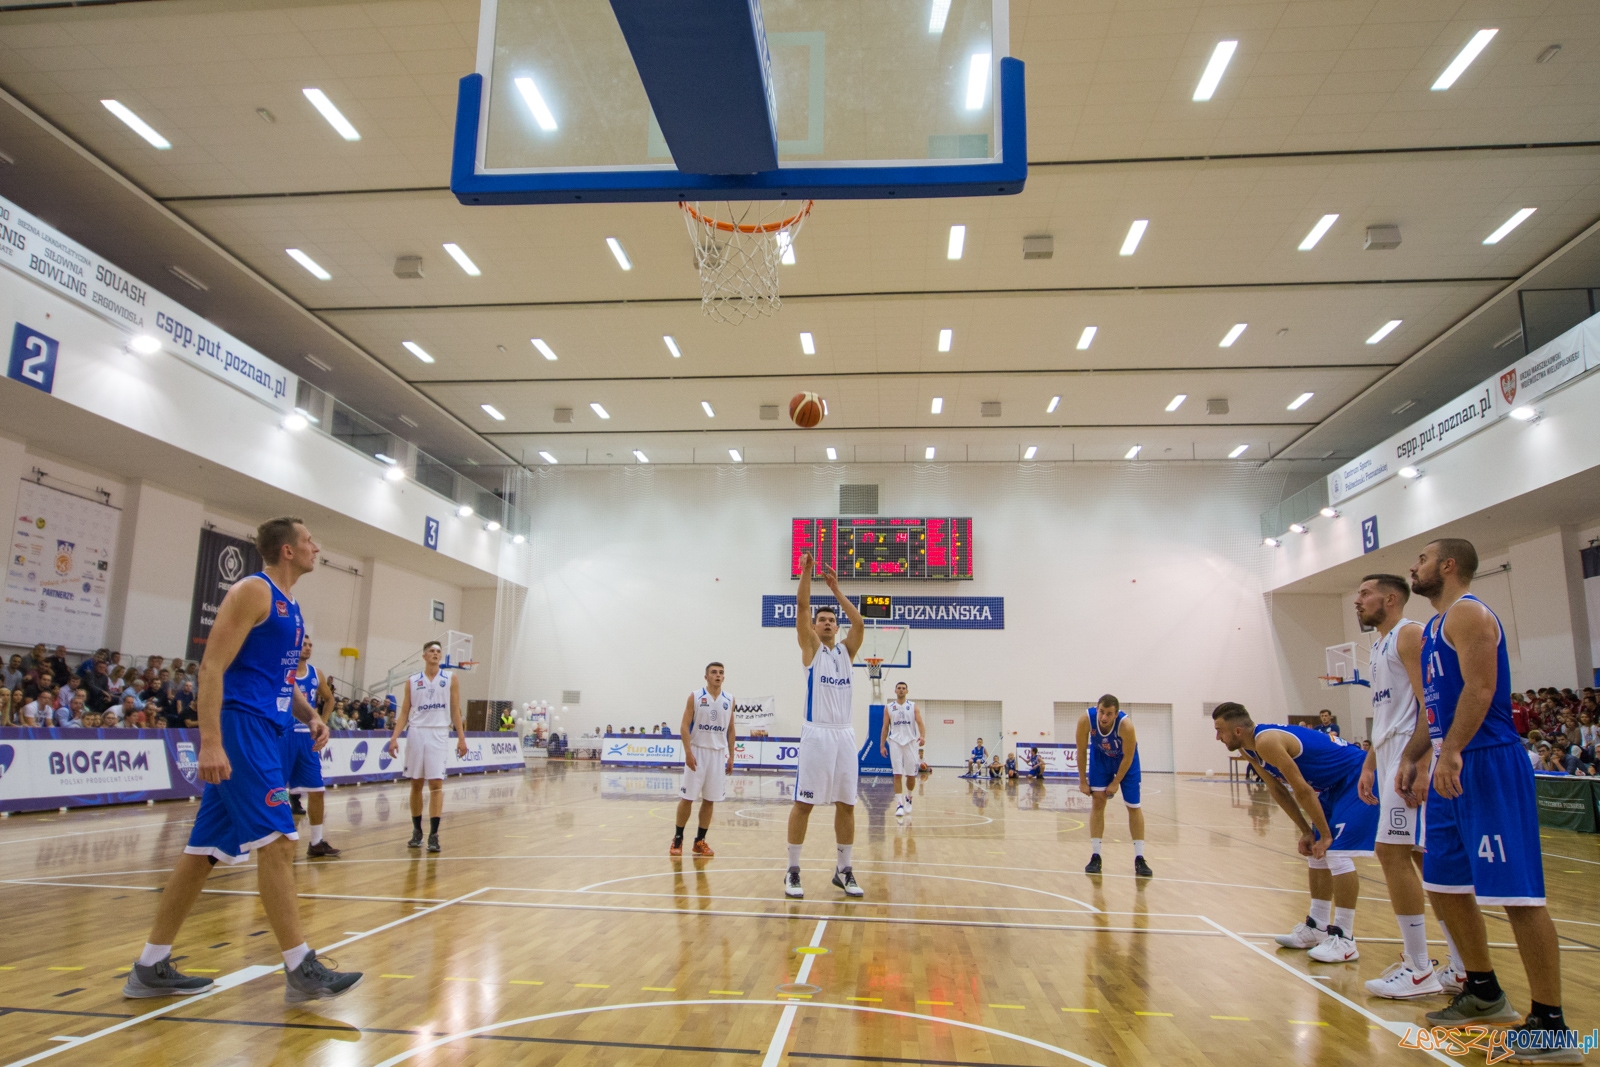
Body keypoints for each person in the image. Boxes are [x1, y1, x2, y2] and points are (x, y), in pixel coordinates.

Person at [120, 516, 361, 1003]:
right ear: (288, 551)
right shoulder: (253, 590)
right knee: (277, 843)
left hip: (268, 727)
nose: (318, 544)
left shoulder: (291, 604)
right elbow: (212, 666)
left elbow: (279, 678)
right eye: (309, 538)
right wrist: (210, 741)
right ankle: (300, 965)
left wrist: (311, 714)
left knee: (202, 853)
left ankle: (150, 964)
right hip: (242, 729)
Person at [1396, 540, 1578, 1058]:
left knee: (1518, 895)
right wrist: (1416, 756)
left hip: (1488, 760)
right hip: (1452, 760)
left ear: (1448, 566)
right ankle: (1482, 991)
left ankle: (1550, 1021)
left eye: (1423, 560)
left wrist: (1449, 751)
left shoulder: (1470, 613)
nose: (1415, 567)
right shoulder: (1432, 627)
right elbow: (1437, 708)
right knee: (1443, 883)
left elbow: (1480, 690)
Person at [1353, 572, 1457, 999]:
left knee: (1392, 852)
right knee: (1416, 857)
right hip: (1390, 753)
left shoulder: (1409, 634)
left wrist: (1422, 761)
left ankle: (1418, 968)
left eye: (1365, 593)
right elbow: (1388, 714)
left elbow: (1428, 703)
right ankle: (1462, 965)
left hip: (1410, 756)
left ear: (1391, 599)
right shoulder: (1378, 644)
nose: (1357, 601)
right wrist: (1370, 762)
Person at [1214, 701, 1375, 963]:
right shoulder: (1249, 749)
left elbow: (1302, 789)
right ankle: (1317, 926)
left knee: (1337, 852)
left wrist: (1324, 834)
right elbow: (1277, 789)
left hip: (1356, 774)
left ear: (1238, 731)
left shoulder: (1267, 741)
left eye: (1220, 730)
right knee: (1316, 853)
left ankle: (1345, 938)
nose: (1217, 737)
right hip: (1331, 784)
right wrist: (1306, 832)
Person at [784, 552, 866, 900]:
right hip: (817, 733)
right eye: (823, 620)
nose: (829, 622)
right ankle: (792, 870)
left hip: (845, 734)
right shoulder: (812, 652)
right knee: (804, 804)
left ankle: (843, 870)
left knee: (847, 804)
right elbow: (802, 608)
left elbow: (859, 624)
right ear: (815, 628)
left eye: (832, 619)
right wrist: (806, 572)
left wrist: (835, 591)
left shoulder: (846, 653)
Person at [387, 639, 469, 853]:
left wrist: (461, 738)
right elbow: (404, 711)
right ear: (424, 656)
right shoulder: (412, 681)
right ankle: (417, 831)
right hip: (416, 733)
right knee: (416, 783)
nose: (435, 654)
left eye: (438, 651)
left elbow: (455, 710)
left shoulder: (450, 678)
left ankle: (434, 834)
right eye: (431, 651)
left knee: (436, 784)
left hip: (439, 732)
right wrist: (394, 737)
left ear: (440, 657)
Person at [1078, 695, 1152, 877]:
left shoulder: (1126, 726)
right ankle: (1095, 856)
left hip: (1125, 761)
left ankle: (1140, 858)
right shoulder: (1086, 719)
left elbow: (1128, 756)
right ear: (1097, 708)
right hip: (1101, 758)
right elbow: (1080, 750)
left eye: (1109, 714)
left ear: (1116, 714)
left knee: (1133, 806)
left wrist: (1115, 782)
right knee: (1098, 802)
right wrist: (1082, 780)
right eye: (1102, 712)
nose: (1104, 718)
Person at [284, 636, 339, 858]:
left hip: (307, 739)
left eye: (309, 645)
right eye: (303, 644)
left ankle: (316, 842)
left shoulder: (316, 674)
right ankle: (275, 838)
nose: (307, 648)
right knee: (276, 790)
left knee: (317, 790)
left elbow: (329, 699)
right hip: (283, 735)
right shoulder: (283, 669)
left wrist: (322, 722)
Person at [672, 662, 735, 857]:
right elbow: (684, 725)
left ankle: (700, 841)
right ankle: (678, 838)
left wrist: (731, 755)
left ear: (724, 677)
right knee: (688, 797)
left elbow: (731, 729)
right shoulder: (696, 696)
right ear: (706, 677)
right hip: (697, 751)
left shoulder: (730, 699)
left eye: (721, 673)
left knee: (710, 800)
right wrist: (688, 752)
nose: (718, 675)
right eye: (714, 672)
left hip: (717, 754)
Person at [879, 679, 924, 817]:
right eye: (898, 688)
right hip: (895, 742)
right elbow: (885, 727)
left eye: (903, 688)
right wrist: (882, 745)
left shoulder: (913, 706)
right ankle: (899, 804)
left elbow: (920, 723)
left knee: (911, 776)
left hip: (910, 742)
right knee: (897, 774)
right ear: (895, 690)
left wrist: (922, 736)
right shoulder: (889, 707)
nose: (901, 690)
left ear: (907, 690)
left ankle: (909, 797)